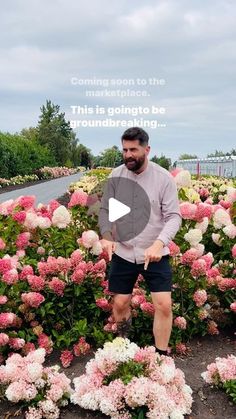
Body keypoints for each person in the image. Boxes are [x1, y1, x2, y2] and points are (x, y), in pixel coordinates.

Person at [99, 127, 182, 356]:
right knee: (119, 304)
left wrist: (159, 243)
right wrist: (106, 236)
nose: (128, 155)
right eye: (124, 150)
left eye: (133, 150)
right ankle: (124, 348)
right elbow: (106, 209)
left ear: (147, 149)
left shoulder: (163, 178)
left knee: (164, 304)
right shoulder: (116, 176)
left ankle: (160, 356)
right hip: (124, 252)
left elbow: (174, 216)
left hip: (155, 253)